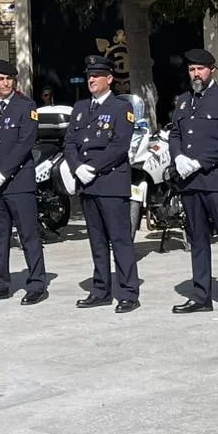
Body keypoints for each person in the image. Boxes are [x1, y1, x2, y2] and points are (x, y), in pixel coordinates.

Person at [168, 47, 218, 319]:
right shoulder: (183, 101)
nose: (196, 74)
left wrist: (199, 161)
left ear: (211, 70)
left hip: (216, 180)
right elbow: (175, 133)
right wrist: (177, 157)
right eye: (191, 70)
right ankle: (201, 295)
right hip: (190, 183)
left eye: (200, 69)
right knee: (197, 240)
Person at [65, 54, 139, 313]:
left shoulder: (121, 108)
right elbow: (70, 142)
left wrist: (93, 167)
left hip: (110, 181)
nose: (92, 79)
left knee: (120, 240)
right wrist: (77, 167)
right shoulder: (81, 108)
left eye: (96, 75)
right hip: (87, 183)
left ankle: (128, 292)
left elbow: (119, 146)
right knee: (96, 241)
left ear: (109, 78)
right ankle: (101, 290)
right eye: (89, 76)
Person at [0, 59, 48, 305]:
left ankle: (37, 283)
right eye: (0, 79)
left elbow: (25, 142)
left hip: (18, 182)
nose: (5, 83)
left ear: (14, 81)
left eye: (9, 79)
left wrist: (3, 172)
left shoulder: (26, 106)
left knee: (28, 235)